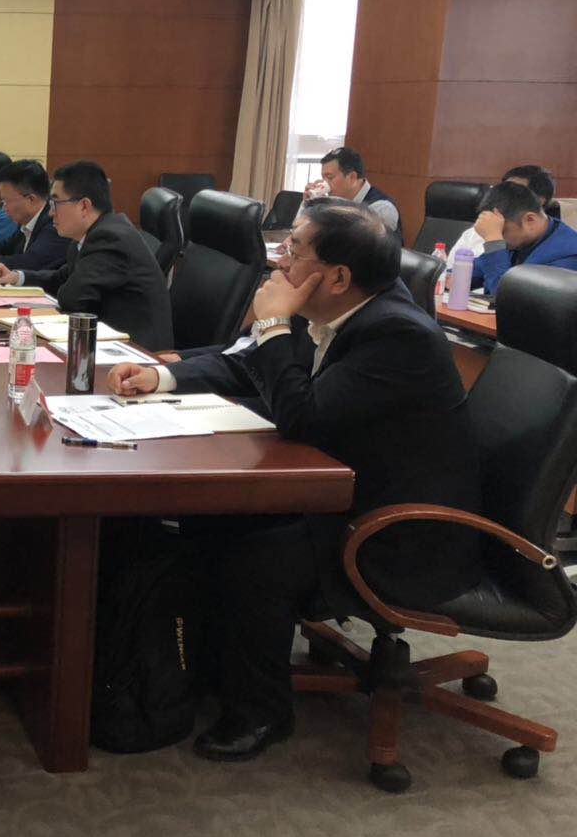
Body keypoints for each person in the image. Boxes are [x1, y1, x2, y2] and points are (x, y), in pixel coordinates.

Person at [107, 200, 481, 762]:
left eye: (294, 251)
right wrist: (161, 376)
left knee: (256, 556)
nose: (279, 261)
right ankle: (205, 666)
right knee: (205, 522)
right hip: (340, 488)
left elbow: (301, 416)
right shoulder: (337, 308)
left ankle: (261, 712)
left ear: (338, 277)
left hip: (402, 530)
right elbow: (251, 365)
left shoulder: (396, 335)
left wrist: (272, 323)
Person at [0, 160, 173, 349]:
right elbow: (63, 277)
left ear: (84, 206)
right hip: (106, 339)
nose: (50, 212)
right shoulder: (93, 233)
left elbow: (72, 298)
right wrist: (17, 277)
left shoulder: (110, 239)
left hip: (136, 351)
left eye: (56, 203)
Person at [468, 180, 577, 294]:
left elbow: (508, 297)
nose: (499, 238)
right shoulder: (519, 241)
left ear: (530, 220)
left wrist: (494, 241)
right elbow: (469, 274)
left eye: (502, 231)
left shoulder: (568, 255)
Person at [447, 165, 558, 268]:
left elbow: (503, 283)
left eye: (515, 191)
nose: (505, 194)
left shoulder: (561, 254)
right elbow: (470, 272)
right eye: (504, 188)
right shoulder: (512, 232)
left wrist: (494, 241)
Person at [304, 146, 401, 235]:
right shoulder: (335, 202)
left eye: (330, 177)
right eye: (323, 178)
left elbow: (351, 243)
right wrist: (310, 205)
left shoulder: (381, 208)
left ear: (352, 177)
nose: (325, 183)